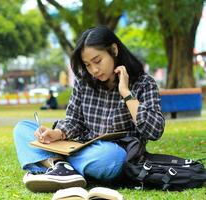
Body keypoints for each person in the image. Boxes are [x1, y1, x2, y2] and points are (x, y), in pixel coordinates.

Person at [13, 26, 165, 193]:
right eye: (87, 65)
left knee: (112, 157)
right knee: (23, 129)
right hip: (79, 147)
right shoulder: (83, 81)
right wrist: (58, 134)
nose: (94, 70)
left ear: (114, 50)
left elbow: (154, 131)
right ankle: (60, 166)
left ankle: (55, 165)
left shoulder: (144, 84)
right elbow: (74, 120)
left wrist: (126, 93)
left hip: (110, 155)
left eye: (97, 61)